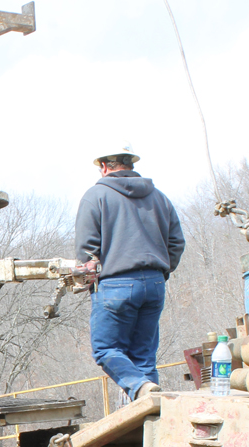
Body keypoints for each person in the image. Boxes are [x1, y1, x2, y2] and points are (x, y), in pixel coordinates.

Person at [74, 143, 184, 402]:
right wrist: (161, 271)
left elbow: (87, 252)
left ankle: (140, 388)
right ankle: (146, 428)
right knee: (143, 358)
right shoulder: (159, 197)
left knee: (106, 350)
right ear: (131, 164)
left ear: (103, 166)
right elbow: (176, 243)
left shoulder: (95, 196)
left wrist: (89, 274)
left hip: (115, 285)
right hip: (155, 284)